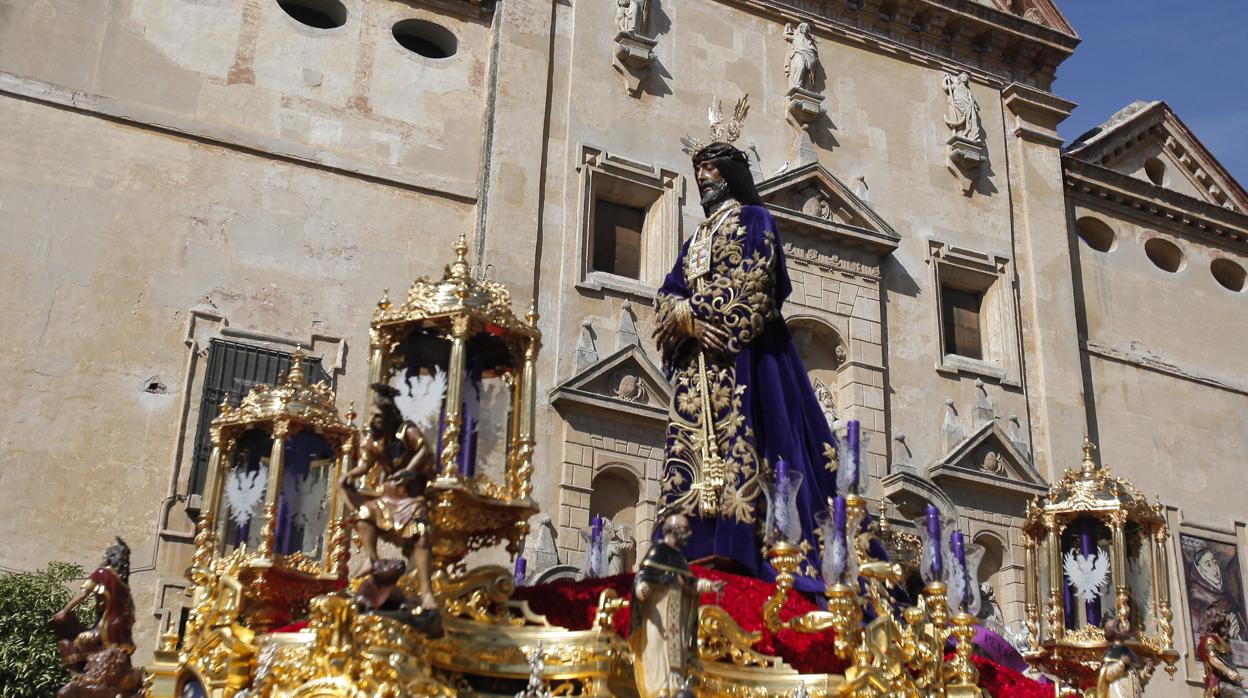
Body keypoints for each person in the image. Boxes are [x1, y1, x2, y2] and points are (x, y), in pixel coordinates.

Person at [653, 139, 840, 581]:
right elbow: (667, 295)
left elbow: (757, 280)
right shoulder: (695, 239)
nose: (702, 177)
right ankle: (687, 540)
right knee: (692, 448)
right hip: (699, 363)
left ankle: (744, 542)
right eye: (698, 169)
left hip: (746, 357)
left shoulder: (755, 219)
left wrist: (695, 315)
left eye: (711, 169)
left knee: (753, 439)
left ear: (730, 175)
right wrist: (686, 320)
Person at [340, 383, 438, 612]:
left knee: (421, 534)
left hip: (410, 499)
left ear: (389, 416)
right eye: (372, 416)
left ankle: (427, 594)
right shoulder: (372, 440)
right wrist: (349, 475)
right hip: (386, 499)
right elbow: (365, 465)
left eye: (378, 417)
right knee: (364, 513)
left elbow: (425, 450)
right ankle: (371, 560)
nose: (373, 421)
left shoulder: (406, 430)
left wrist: (410, 469)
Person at [630, 514, 724, 698]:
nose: (688, 534)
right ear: (673, 530)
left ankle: (674, 688)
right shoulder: (658, 552)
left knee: (677, 653)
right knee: (656, 650)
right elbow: (643, 576)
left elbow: (690, 584)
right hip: (657, 615)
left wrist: (711, 586)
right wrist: (642, 589)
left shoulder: (679, 559)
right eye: (684, 529)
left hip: (676, 615)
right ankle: (657, 690)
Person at [1096, 617, 1153, 698]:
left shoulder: (1128, 652)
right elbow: (1107, 674)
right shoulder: (1111, 652)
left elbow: (1136, 678)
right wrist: (1121, 664)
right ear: (1115, 631)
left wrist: (1147, 670)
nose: (1126, 627)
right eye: (1122, 627)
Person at [1197, 610, 1247, 698]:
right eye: (1226, 624)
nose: (1228, 627)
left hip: (1230, 683)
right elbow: (1212, 659)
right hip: (1219, 682)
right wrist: (1228, 671)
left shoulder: (1223, 642)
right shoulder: (1210, 639)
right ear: (1217, 624)